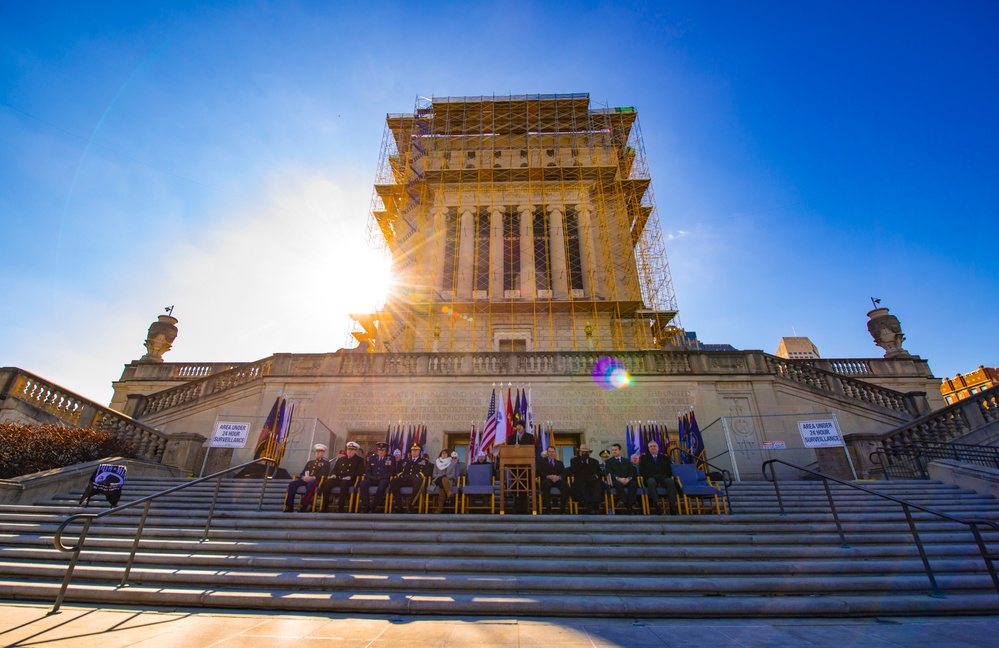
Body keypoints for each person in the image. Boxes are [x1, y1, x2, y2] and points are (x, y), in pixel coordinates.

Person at [284, 444, 330, 512]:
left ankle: (304, 505)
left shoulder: (326, 463)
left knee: (311, 484)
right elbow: (302, 473)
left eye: (320, 451)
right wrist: (303, 477)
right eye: (316, 451)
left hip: (316, 481)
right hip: (305, 480)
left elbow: (324, 474)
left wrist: (312, 477)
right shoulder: (310, 462)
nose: (317, 453)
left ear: (323, 453)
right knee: (292, 484)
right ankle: (289, 505)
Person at [321, 441, 364, 512]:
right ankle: (324, 507)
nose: (349, 451)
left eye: (351, 450)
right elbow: (334, 469)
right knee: (327, 482)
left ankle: (340, 507)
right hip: (338, 478)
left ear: (355, 451)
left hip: (349, 480)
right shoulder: (341, 459)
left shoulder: (359, 460)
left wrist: (350, 476)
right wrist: (333, 474)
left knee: (344, 484)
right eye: (348, 449)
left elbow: (360, 472)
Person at [640, 440, 679, 515]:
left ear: (658, 448)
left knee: (670, 481)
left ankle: (672, 505)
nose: (653, 448)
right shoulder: (644, 458)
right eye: (651, 446)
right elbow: (643, 471)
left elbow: (668, 471)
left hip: (663, 478)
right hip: (651, 478)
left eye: (654, 446)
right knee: (651, 481)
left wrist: (661, 477)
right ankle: (657, 505)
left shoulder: (664, 458)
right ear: (648, 449)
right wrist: (654, 476)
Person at [389, 444, 432, 513]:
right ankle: (400, 506)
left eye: (416, 450)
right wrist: (402, 475)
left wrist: (417, 475)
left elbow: (427, 472)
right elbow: (398, 471)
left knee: (418, 481)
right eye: (413, 450)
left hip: (415, 480)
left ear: (419, 451)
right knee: (393, 482)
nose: (414, 452)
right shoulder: (404, 461)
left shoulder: (424, 461)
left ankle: (411, 506)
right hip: (405, 479)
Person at [358, 441, 396, 513]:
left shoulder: (390, 458)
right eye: (379, 450)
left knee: (382, 484)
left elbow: (392, 471)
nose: (381, 452)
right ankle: (366, 505)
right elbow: (368, 470)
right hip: (373, 479)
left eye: (382, 450)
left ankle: (374, 506)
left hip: (383, 479)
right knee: (363, 483)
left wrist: (383, 477)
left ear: (386, 450)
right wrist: (370, 476)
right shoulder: (372, 458)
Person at [568, 444, 604, 514]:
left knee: (599, 484)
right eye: (582, 452)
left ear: (589, 453)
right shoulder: (574, 460)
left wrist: (596, 476)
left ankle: (594, 503)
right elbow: (572, 470)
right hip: (580, 480)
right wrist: (581, 461)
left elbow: (600, 472)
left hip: (592, 479)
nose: (583, 453)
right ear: (579, 452)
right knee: (582, 485)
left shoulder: (594, 461)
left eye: (585, 452)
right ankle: (588, 504)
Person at [605, 443, 639, 515]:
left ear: (620, 450)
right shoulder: (609, 462)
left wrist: (628, 479)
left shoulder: (627, 461)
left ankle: (630, 504)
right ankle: (626, 504)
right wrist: (619, 478)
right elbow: (609, 472)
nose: (614, 451)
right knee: (618, 485)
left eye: (616, 450)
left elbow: (632, 472)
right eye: (613, 450)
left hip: (627, 480)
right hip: (616, 480)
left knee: (633, 484)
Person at [537, 445, 568, 514]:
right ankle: (548, 509)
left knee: (564, 484)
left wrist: (559, 477)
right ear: (547, 453)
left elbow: (564, 473)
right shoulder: (541, 462)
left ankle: (562, 509)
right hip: (547, 480)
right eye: (549, 452)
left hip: (558, 480)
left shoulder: (560, 463)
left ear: (555, 453)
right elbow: (539, 472)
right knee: (546, 484)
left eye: (553, 452)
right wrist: (548, 476)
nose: (551, 453)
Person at [430, 449, 460, 513]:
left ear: (448, 455)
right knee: (442, 478)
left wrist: (445, 477)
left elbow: (452, 475)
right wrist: (442, 475)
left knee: (442, 484)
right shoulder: (436, 463)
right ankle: (449, 492)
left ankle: (440, 507)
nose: (444, 455)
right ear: (440, 455)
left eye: (445, 453)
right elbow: (434, 475)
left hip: (447, 481)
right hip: (437, 480)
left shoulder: (452, 464)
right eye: (442, 453)